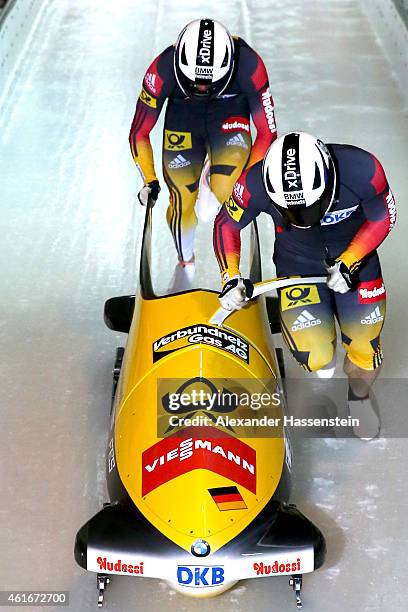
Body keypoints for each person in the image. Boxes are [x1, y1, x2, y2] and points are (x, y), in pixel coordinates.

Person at [213, 132, 396, 438]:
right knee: (316, 356)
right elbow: (226, 224)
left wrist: (350, 260)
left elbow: (383, 217)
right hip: (298, 265)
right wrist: (230, 275)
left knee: (365, 343)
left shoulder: (363, 170)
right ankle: (323, 348)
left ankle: (359, 396)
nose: (303, 218)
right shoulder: (253, 183)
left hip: (356, 263)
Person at [129, 18, 278, 290]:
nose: (200, 88)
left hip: (230, 114)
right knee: (181, 200)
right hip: (183, 119)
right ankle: (185, 260)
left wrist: (250, 182)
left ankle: (229, 272)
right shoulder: (161, 71)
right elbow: (139, 132)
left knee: (231, 192)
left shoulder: (250, 66)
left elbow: (267, 134)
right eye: (194, 82)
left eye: (208, 83)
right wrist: (149, 179)